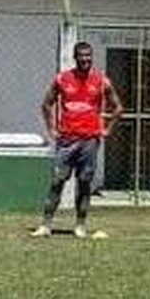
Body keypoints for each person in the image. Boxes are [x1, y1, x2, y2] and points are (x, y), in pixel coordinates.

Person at [31, 41, 124, 238]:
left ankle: (80, 225)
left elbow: (118, 108)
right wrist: (51, 129)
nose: (85, 59)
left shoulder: (101, 81)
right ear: (75, 57)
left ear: (92, 57)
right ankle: (45, 225)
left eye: (88, 55)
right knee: (57, 181)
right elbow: (46, 104)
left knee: (84, 182)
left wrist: (107, 130)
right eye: (81, 55)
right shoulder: (62, 79)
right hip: (66, 140)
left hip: (89, 141)